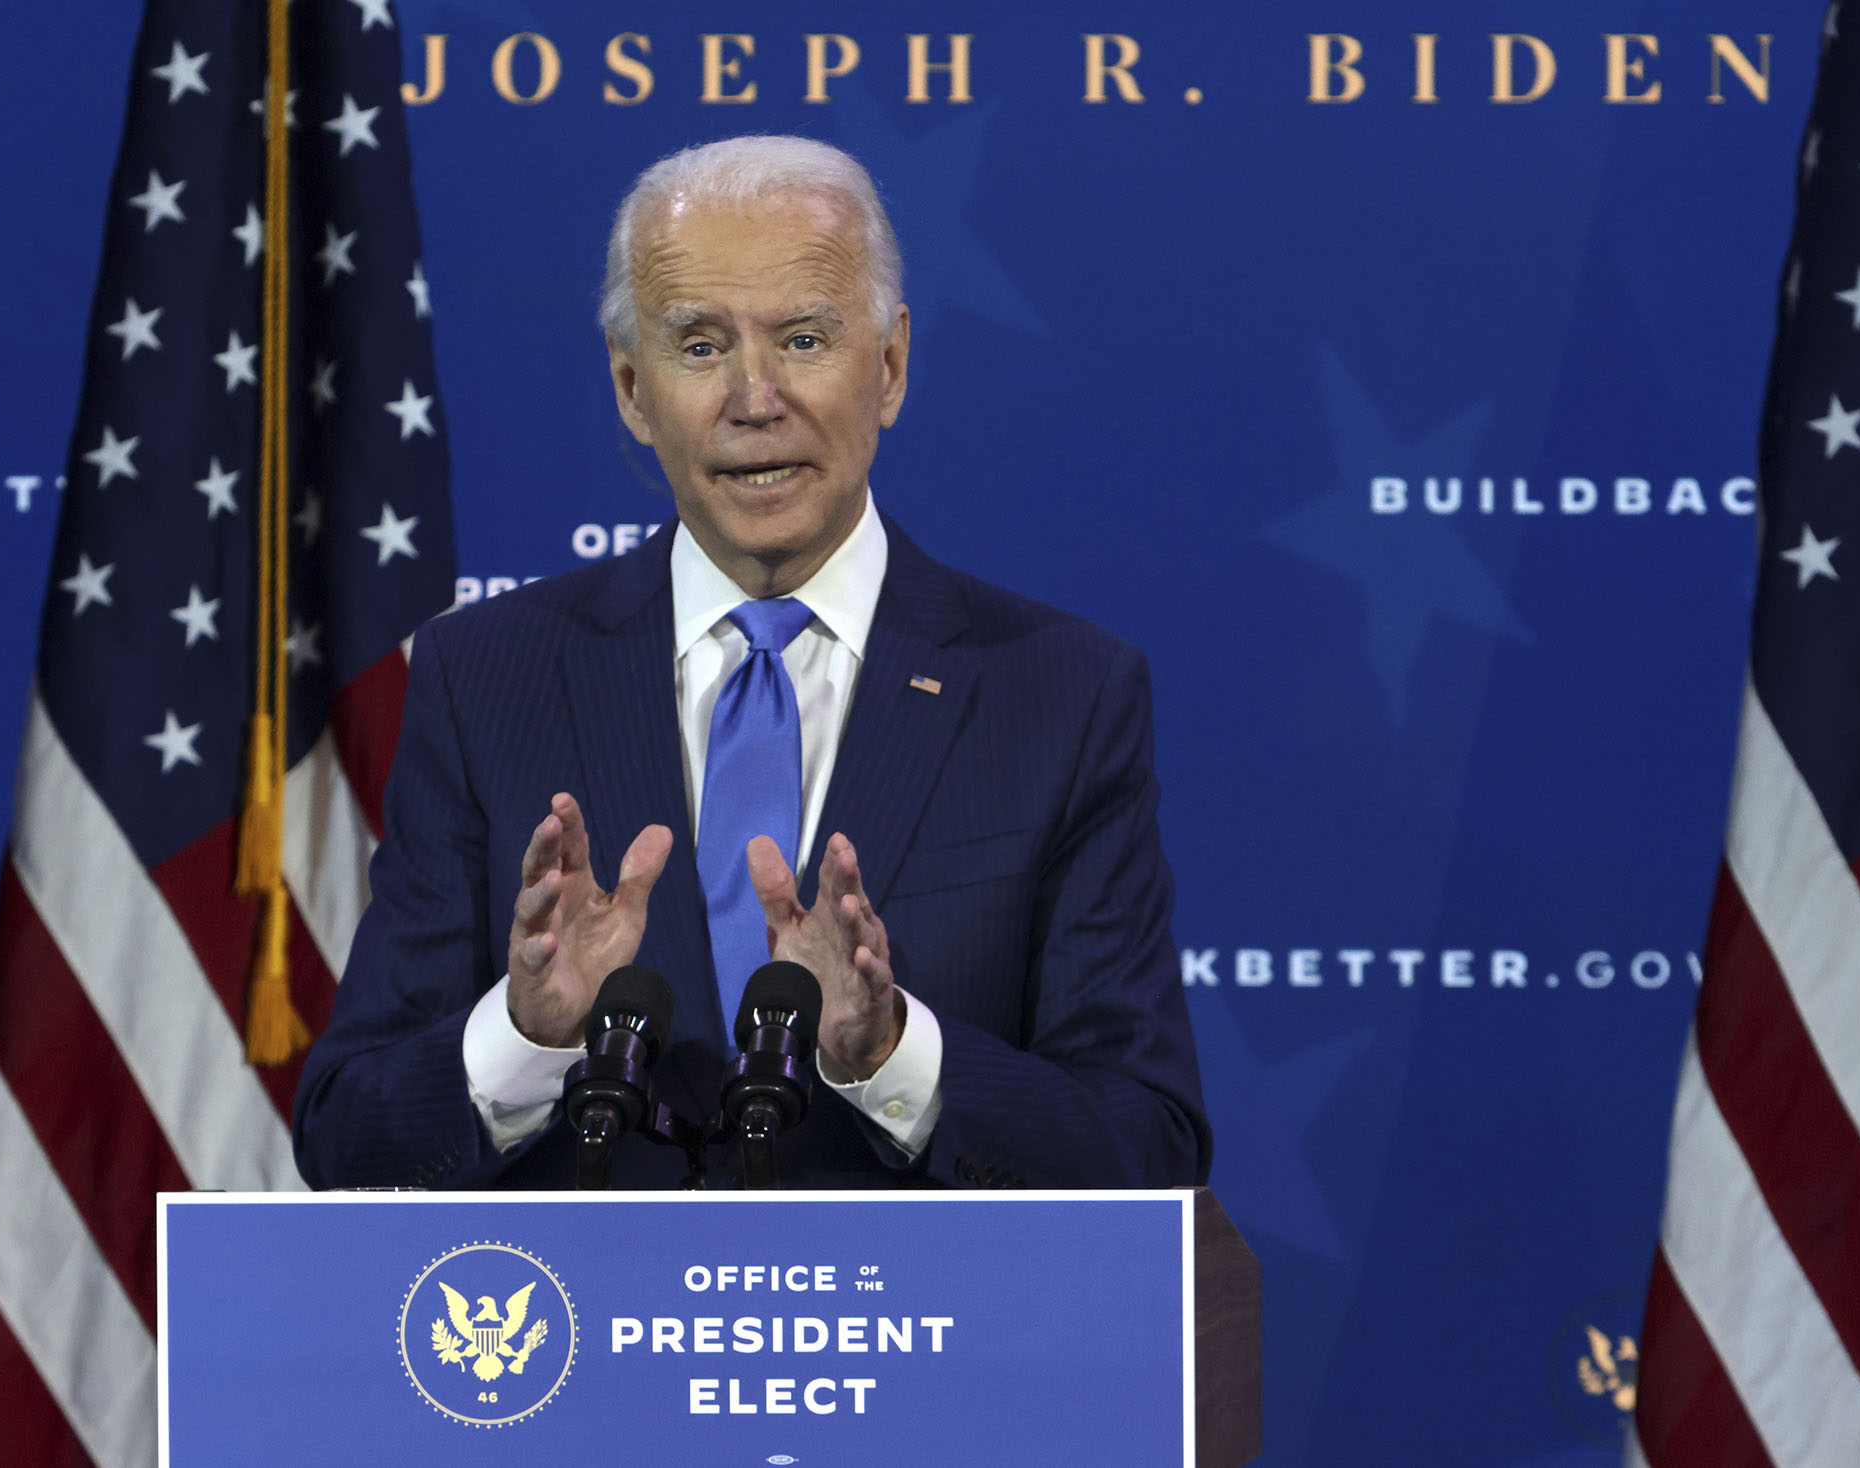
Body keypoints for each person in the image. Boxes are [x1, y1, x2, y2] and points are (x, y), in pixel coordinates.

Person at [292, 135, 1208, 1190]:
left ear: (892, 366)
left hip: (907, 1340)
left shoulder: (1057, 692)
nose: (754, 397)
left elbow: (1146, 1145)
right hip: (589, 1342)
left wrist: (889, 1052)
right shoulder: (485, 675)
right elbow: (345, 1134)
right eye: (698, 346)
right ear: (632, 388)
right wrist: (528, 1033)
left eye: (806, 339)